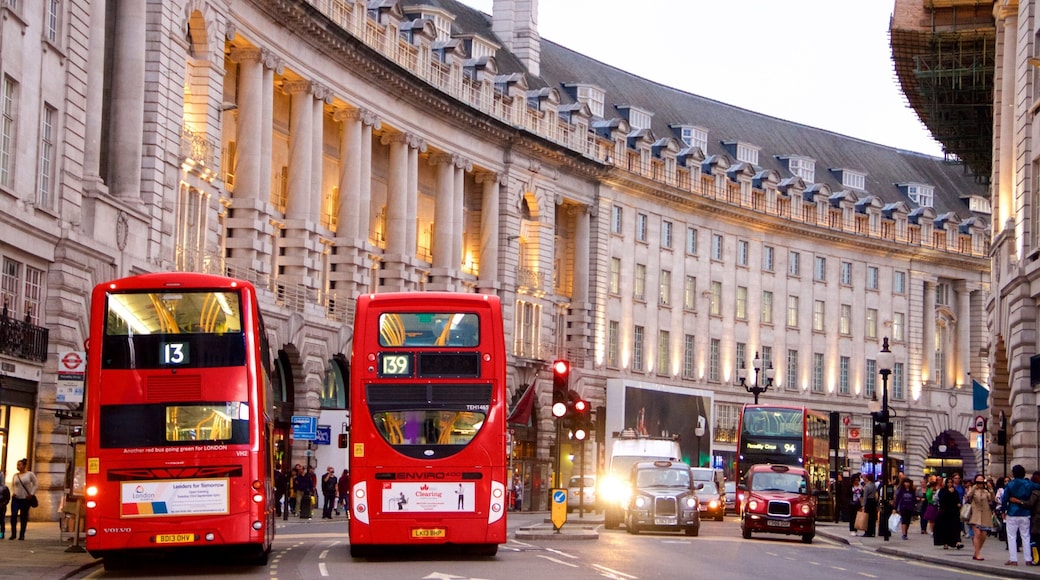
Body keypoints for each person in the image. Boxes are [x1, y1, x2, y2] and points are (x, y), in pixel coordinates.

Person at [1002, 464, 1040, 566]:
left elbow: (1005, 498)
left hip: (1012, 512)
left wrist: (1003, 510)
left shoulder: (1010, 484)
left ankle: (1013, 559)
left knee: (1011, 536)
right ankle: (1028, 559)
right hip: (1025, 512)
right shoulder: (1029, 484)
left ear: (1013, 473)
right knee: (1026, 536)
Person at [965, 473, 995, 561]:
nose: (980, 483)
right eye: (978, 481)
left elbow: (992, 499)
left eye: (981, 481)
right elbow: (968, 496)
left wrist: (991, 489)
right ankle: (978, 553)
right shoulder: (973, 490)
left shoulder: (986, 492)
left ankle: (976, 552)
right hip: (975, 514)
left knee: (983, 536)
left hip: (985, 514)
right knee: (977, 534)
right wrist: (974, 487)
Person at [9, 458, 37, 541]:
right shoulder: (15, 475)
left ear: (24, 466)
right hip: (16, 498)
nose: (18, 466)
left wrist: (31, 494)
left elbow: (36, 484)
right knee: (13, 515)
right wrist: (13, 492)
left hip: (25, 499)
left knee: (23, 517)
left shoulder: (29, 474)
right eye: (17, 465)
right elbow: (12, 485)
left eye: (19, 465)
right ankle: (13, 534)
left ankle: (22, 535)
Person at [934, 476, 963, 549]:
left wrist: (958, 504)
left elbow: (957, 499)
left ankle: (957, 542)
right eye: (948, 482)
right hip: (945, 512)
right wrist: (948, 493)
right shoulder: (943, 491)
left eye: (951, 482)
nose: (949, 484)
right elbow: (941, 500)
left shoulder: (955, 491)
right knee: (946, 528)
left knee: (955, 527)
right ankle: (945, 542)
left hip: (954, 512)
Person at [861, 473, 878, 538]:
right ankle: (872, 532)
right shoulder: (874, 485)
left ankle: (867, 532)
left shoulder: (867, 486)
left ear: (867, 478)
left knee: (867, 518)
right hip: (873, 501)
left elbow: (865, 496)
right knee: (872, 518)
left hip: (868, 501)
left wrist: (863, 505)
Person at [0, 472, 8, 540]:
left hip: (1, 506)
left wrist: (3, 503)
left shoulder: (4, 488)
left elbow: (7, 498)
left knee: (1, 520)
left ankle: (1, 534)